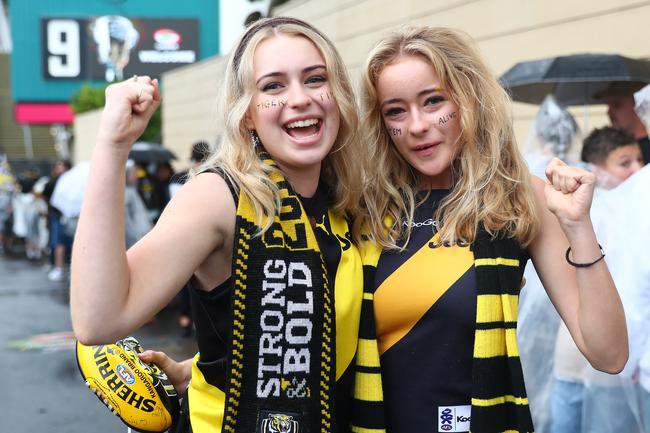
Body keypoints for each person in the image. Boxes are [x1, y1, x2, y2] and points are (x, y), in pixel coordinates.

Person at [71, 17, 383, 433]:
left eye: (315, 79)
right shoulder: (222, 196)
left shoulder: (344, 203)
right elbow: (97, 320)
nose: (300, 98)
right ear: (247, 114)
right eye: (273, 86)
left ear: (338, 96)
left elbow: (308, 338)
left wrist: (203, 365)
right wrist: (113, 146)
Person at [356, 26, 628, 433]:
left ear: (470, 99)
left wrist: (578, 226)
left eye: (433, 102)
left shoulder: (520, 198)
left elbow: (609, 354)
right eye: (395, 111)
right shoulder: (364, 209)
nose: (416, 126)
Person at [597, 83, 650, 164]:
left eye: (617, 105)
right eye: (608, 105)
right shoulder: (608, 147)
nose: (609, 112)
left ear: (639, 107)